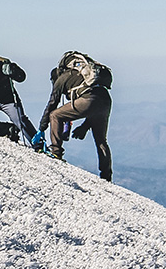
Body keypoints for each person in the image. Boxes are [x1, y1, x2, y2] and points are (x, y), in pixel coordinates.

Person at [38, 51, 113, 181]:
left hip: (89, 100)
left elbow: (52, 105)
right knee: (101, 140)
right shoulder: (81, 75)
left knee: (55, 115)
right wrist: (84, 127)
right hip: (105, 100)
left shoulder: (61, 79)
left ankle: (56, 151)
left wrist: (42, 127)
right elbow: (94, 107)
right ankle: (106, 175)